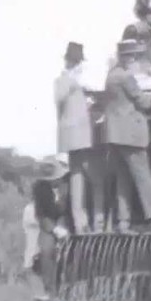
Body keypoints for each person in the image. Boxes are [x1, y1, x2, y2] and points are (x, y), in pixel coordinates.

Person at [101, 40, 151, 231]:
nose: (134, 59)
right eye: (133, 55)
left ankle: (123, 220)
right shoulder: (126, 77)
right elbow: (144, 102)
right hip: (130, 134)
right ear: (127, 57)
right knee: (144, 176)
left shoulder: (111, 75)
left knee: (123, 178)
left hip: (115, 134)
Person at [55, 41, 102, 233]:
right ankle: (96, 221)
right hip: (81, 136)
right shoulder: (68, 81)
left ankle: (81, 222)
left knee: (77, 178)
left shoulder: (70, 81)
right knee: (95, 178)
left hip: (73, 137)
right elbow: (61, 98)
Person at [31, 157, 72, 301]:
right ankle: (50, 293)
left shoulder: (69, 183)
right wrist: (54, 229)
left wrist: (64, 226)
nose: (52, 182)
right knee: (46, 248)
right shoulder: (39, 188)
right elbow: (40, 214)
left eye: (54, 178)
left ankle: (71, 289)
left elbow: (71, 208)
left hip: (68, 220)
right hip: (49, 224)